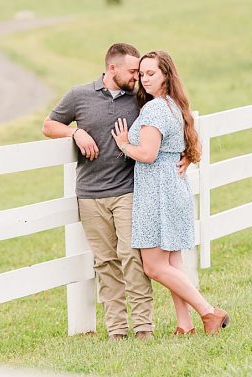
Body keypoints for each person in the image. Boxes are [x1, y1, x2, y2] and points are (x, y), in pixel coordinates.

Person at [42, 43, 158, 340]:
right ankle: (117, 329)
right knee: (105, 262)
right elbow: (49, 125)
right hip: (90, 194)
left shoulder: (140, 98)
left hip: (128, 189)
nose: (137, 77)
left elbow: (167, 118)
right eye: (133, 71)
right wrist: (75, 131)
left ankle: (144, 325)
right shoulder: (79, 95)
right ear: (112, 69)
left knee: (132, 255)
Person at [112, 50, 230, 335]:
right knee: (173, 262)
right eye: (141, 74)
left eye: (151, 73)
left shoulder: (153, 110)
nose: (144, 79)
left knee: (153, 266)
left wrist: (124, 143)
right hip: (172, 188)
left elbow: (148, 154)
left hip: (157, 193)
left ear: (166, 75)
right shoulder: (172, 106)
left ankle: (209, 312)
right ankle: (184, 324)